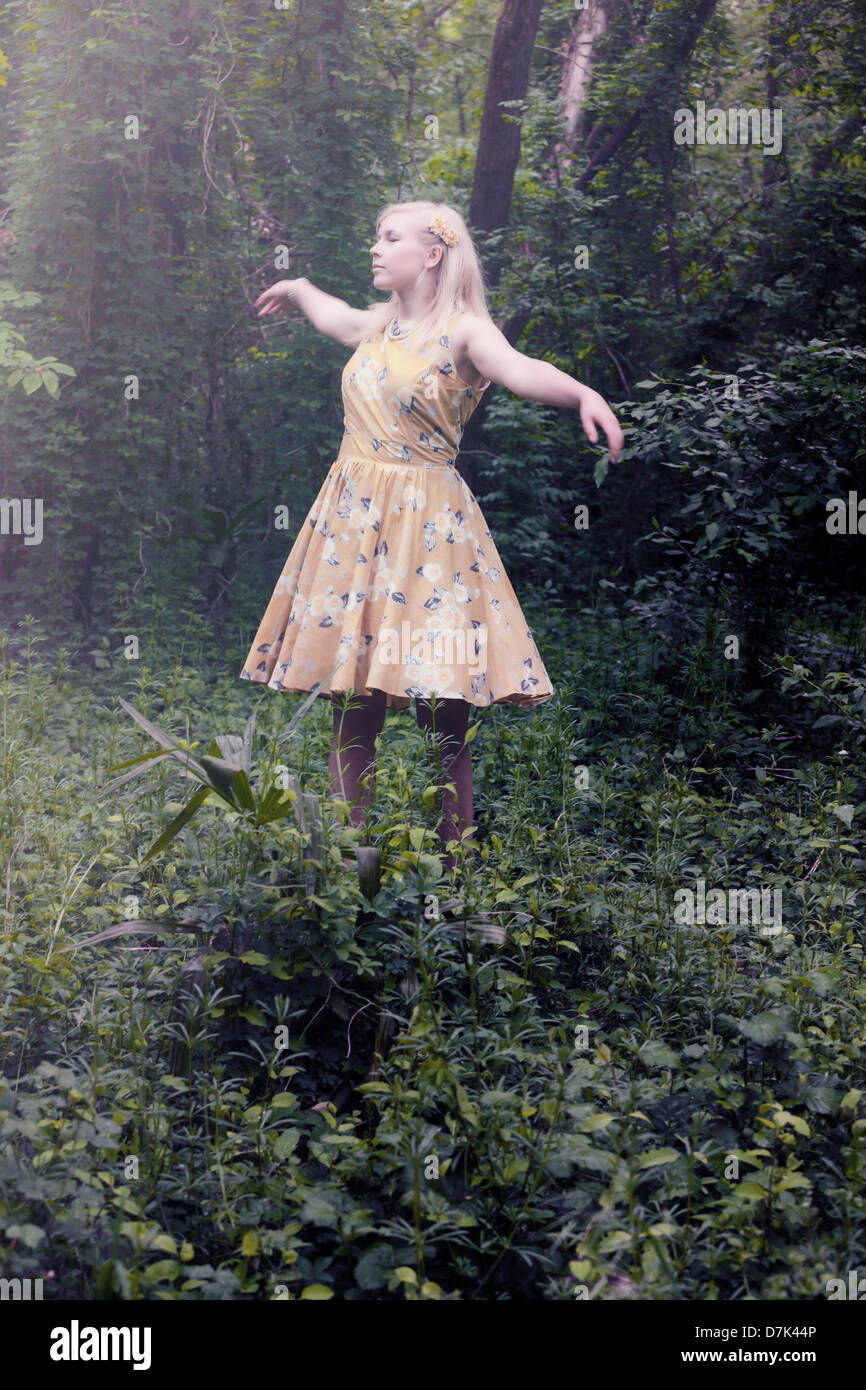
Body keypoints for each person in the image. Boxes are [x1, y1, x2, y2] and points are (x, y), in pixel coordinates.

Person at [240, 199, 623, 873]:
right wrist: (298, 288)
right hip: (354, 521)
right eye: (376, 236)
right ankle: (346, 869)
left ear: (434, 253)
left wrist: (583, 393)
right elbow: (334, 318)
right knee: (354, 699)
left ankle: (457, 877)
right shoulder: (379, 324)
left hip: (428, 530)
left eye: (391, 238)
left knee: (443, 707)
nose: (375, 249)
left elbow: (520, 368)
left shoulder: (466, 331)